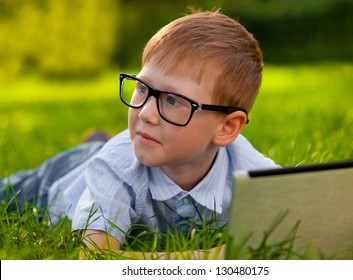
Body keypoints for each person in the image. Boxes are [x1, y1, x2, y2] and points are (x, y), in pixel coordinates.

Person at [0, 10, 279, 259]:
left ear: (226, 128)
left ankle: (99, 142)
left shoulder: (248, 170)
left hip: (124, 149)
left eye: (172, 100)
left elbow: (301, 222)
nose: (145, 113)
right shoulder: (116, 166)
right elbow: (97, 257)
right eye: (143, 88)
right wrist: (205, 257)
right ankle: (97, 147)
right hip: (60, 180)